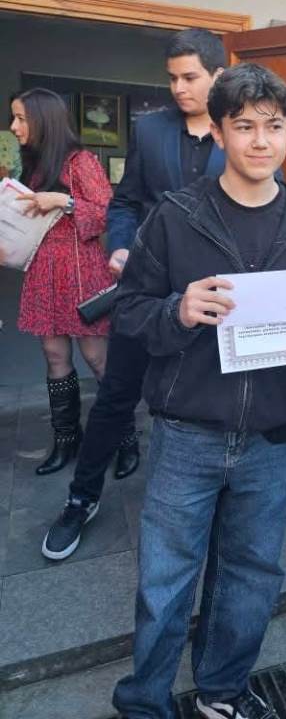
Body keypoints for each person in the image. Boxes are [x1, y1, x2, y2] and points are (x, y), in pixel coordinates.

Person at [110, 63, 286, 719]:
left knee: (251, 577)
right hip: (186, 431)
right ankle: (144, 702)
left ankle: (221, 692)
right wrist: (176, 310)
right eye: (244, 126)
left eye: (273, 126)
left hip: (270, 436)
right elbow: (129, 311)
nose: (260, 140)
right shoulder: (175, 216)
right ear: (219, 133)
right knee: (165, 581)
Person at [42, 27, 227, 561]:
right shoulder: (149, 131)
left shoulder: (239, 131)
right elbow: (124, 201)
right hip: (145, 292)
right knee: (115, 398)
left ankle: (215, 507)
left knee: (208, 405)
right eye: (172, 78)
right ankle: (81, 499)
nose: (179, 88)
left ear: (218, 75)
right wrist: (120, 246)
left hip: (213, 299)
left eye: (190, 77)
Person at [9, 88, 113, 474]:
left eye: (21, 118)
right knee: (54, 355)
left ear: (43, 120)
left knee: (97, 359)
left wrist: (63, 201)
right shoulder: (33, 166)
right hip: (44, 272)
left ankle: (123, 437)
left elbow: (107, 213)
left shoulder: (80, 161)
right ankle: (67, 440)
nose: (13, 126)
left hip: (82, 272)